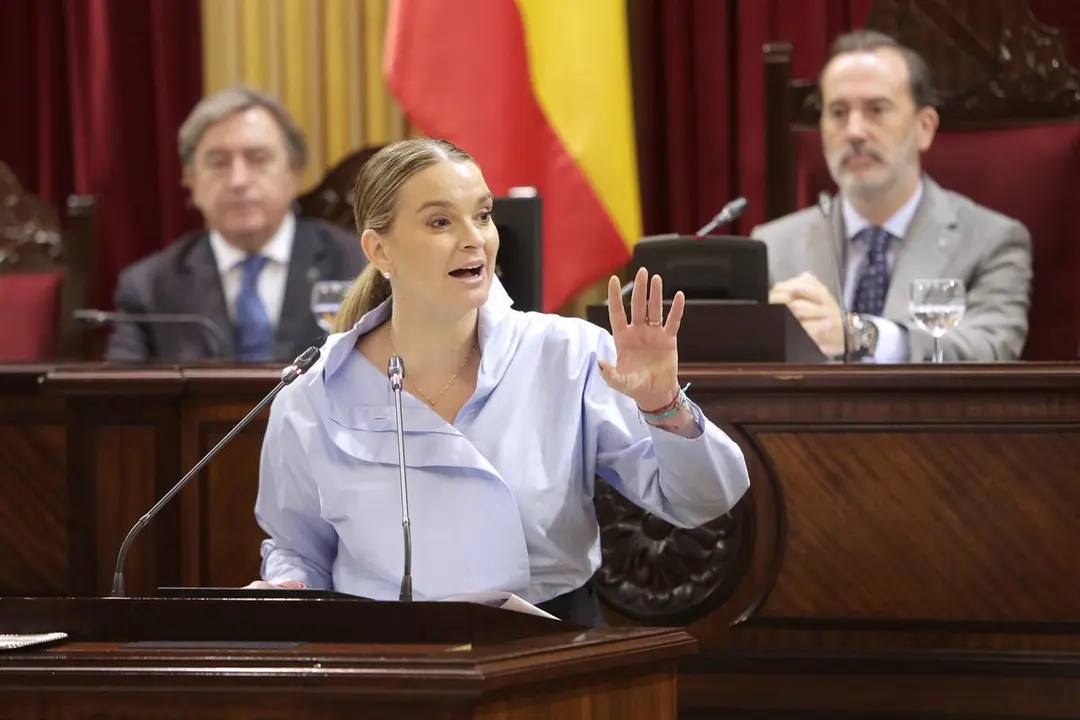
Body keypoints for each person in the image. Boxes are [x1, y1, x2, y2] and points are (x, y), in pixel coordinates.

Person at [247, 138, 750, 626]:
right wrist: (287, 589)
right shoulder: (314, 392)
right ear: (379, 249)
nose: (475, 238)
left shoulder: (568, 354)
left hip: (549, 650)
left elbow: (702, 501)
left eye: (483, 215)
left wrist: (664, 406)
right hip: (387, 660)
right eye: (441, 221)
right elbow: (297, 549)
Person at [752, 30, 1031, 362]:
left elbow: (992, 350)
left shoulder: (990, 241)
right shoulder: (774, 247)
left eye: (877, 109)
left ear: (924, 127)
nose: (854, 131)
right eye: (838, 112)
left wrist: (860, 334)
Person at [105, 85, 367, 363]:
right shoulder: (149, 287)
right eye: (218, 163)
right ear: (191, 180)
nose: (238, 181)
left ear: (294, 172)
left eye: (258, 159)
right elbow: (123, 398)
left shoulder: (358, 267)